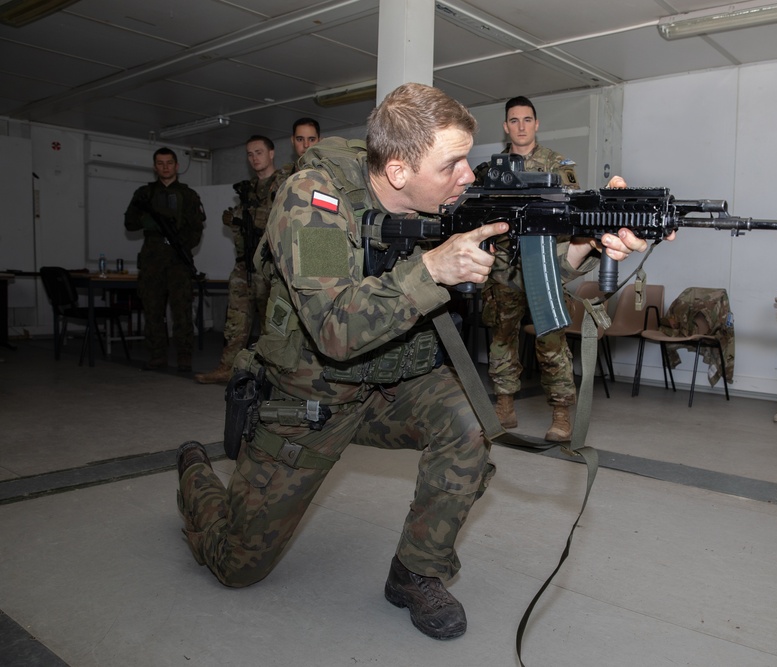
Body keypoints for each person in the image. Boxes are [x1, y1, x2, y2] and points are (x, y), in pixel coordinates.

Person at [175, 83, 647, 641]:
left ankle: (415, 572)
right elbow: (335, 326)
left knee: (471, 421)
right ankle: (194, 475)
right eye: (452, 163)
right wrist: (432, 271)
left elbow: (508, 281)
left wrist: (585, 245)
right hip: (312, 399)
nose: (469, 175)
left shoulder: (447, 202)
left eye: (467, 158)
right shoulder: (314, 201)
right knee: (236, 565)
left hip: (397, 383)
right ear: (399, 172)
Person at [481, 96, 580, 442]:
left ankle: (562, 411)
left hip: (544, 261)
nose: (521, 126)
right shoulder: (492, 169)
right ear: (506, 127)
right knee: (502, 338)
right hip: (504, 266)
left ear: (536, 124)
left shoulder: (558, 163)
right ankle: (504, 405)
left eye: (527, 119)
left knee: (551, 338)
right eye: (514, 120)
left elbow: (571, 206)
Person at [195, 136, 291, 384]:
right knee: (235, 320)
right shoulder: (246, 190)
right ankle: (227, 367)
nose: (254, 158)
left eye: (259, 152)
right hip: (243, 265)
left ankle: (272, 375)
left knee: (271, 323)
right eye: (249, 154)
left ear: (271, 153)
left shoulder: (283, 184)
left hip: (270, 265)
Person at [124, 147, 205, 371]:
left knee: (182, 310)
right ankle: (157, 355)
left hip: (178, 260)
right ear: (154, 167)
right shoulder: (144, 194)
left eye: (169, 163)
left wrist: (180, 245)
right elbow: (130, 223)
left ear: (177, 166)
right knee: (153, 310)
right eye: (160, 163)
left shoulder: (188, 195)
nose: (165, 167)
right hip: (152, 259)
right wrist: (148, 221)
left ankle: (184, 356)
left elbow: (196, 229)